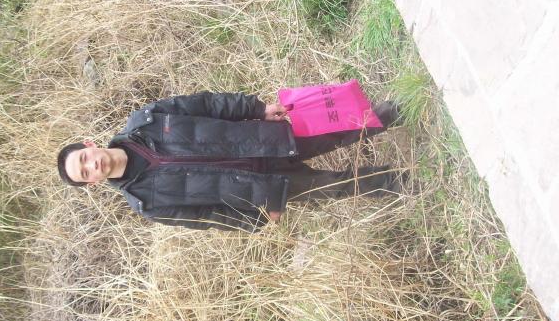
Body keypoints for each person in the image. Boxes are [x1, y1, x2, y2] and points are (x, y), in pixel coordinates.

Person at [57, 91, 404, 233]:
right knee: (336, 186)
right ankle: (398, 182)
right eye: (85, 173)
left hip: (262, 140)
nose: (92, 165)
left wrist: (256, 109)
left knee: (335, 133)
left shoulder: (145, 120)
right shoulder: (145, 203)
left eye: (85, 159)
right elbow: (205, 218)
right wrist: (255, 220)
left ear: (90, 145)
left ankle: (393, 113)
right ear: (92, 183)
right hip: (262, 189)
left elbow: (207, 104)